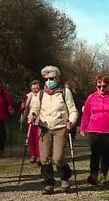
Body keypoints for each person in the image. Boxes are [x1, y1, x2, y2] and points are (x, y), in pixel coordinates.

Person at [31, 65, 78, 194]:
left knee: (58, 157)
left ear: (58, 78)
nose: (48, 81)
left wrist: (71, 122)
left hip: (60, 128)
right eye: (46, 79)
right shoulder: (41, 94)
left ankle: (65, 178)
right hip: (44, 128)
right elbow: (35, 108)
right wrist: (33, 115)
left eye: (51, 78)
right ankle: (49, 184)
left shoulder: (65, 92)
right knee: (44, 158)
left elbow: (73, 110)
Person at [80, 74, 109, 185]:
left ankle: (103, 174)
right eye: (99, 86)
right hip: (94, 129)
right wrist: (82, 127)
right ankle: (93, 174)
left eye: (104, 86)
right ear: (96, 85)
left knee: (106, 153)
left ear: (107, 86)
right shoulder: (91, 98)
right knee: (95, 153)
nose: (102, 89)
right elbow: (86, 113)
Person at [20, 80, 41, 163]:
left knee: (38, 139)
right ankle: (33, 155)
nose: (34, 90)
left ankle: (39, 156)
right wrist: (22, 107)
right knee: (31, 138)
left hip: (40, 119)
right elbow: (24, 107)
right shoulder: (29, 95)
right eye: (33, 88)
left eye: (36, 88)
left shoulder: (42, 95)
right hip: (30, 119)